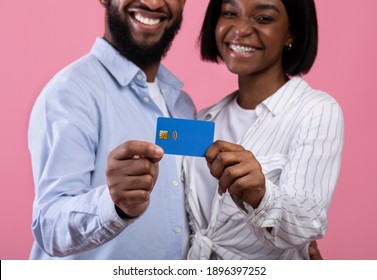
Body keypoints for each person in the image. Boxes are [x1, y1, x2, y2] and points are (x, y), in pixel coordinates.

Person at [28, 0, 195, 260]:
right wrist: (114, 204)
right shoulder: (71, 92)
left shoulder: (183, 105)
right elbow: (48, 227)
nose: (152, 3)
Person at [183, 0, 344, 259]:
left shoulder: (316, 111)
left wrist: (261, 195)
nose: (241, 29)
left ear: (291, 33)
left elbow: (307, 222)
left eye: (263, 18)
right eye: (230, 13)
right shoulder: (203, 118)